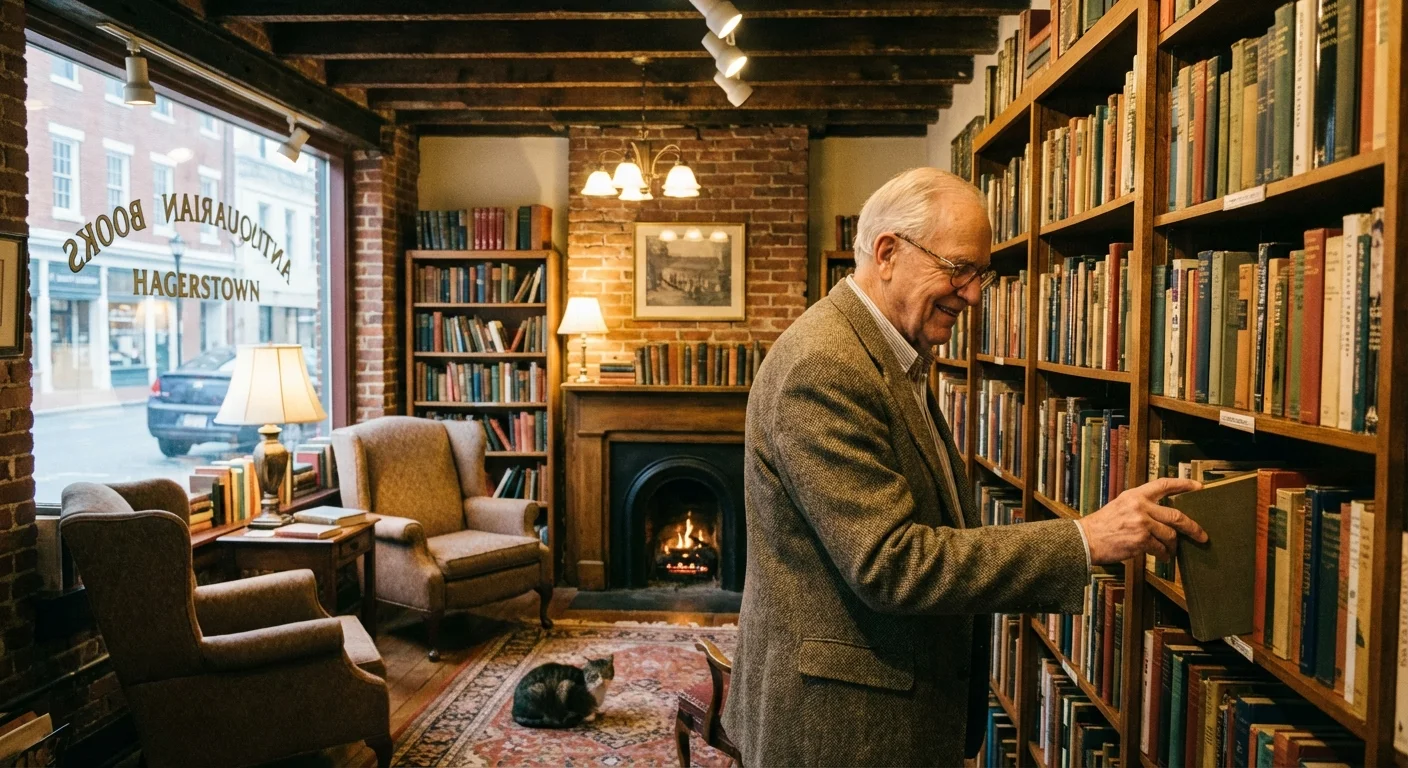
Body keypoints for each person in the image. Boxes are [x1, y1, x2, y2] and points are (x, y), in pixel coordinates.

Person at [723, 167, 1208, 767]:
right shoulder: (825, 365)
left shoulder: (888, 350)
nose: (974, 294)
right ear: (887, 253)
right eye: (958, 268)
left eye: (982, 273)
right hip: (841, 726)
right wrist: (1085, 539)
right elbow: (890, 564)